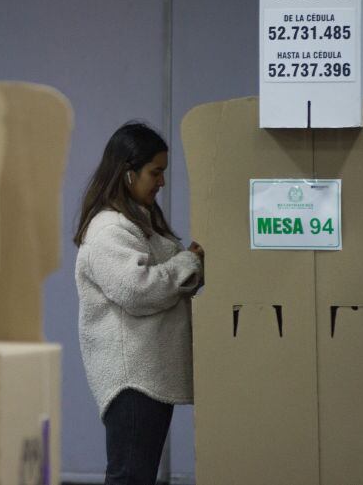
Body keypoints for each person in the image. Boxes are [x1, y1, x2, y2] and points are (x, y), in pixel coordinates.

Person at [74, 121, 205, 485]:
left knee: (135, 478)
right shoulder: (109, 230)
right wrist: (188, 263)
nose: (161, 182)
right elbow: (138, 290)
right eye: (155, 172)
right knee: (130, 478)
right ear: (128, 174)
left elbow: (168, 275)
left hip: (148, 376)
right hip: (132, 382)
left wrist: (188, 267)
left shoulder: (139, 221)